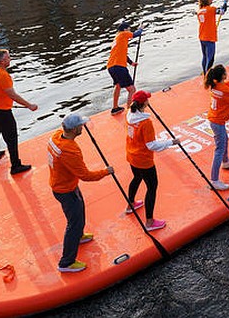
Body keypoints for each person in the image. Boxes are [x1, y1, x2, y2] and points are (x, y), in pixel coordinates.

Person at [47, 113, 114, 273]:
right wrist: (105, 172)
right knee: (74, 224)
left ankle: (80, 235)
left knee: (79, 211)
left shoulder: (56, 136)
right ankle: (66, 262)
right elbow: (85, 175)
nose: (83, 127)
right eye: (81, 125)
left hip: (63, 184)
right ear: (74, 129)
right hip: (66, 190)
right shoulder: (70, 150)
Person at [124, 90, 180, 231]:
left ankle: (130, 204)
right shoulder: (146, 122)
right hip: (144, 160)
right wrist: (170, 142)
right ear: (145, 103)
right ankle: (149, 222)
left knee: (136, 178)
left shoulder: (129, 115)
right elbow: (152, 145)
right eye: (148, 99)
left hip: (132, 155)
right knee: (152, 187)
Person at [0, 49, 38, 175]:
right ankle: (16, 166)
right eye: (8, 58)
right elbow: (12, 95)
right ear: (3, 61)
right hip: (1, 111)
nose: (10, 59)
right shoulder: (3, 75)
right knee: (11, 137)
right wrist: (29, 105)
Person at [106, 22, 143, 114]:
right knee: (132, 89)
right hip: (119, 67)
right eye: (129, 29)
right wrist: (141, 28)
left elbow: (122, 54)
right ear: (125, 29)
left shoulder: (117, 39)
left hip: (111, 67)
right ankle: (131, 110)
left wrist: (131, 63)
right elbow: (136, 34)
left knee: (118, 86)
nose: (129, 31)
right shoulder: (123, 34)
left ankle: (115, 108)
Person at [196, 0, 226, 75]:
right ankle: (208, 77)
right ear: (206, 0)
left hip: (202, 37)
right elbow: (222, 11)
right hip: (209, 38)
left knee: (205, 57)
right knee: (211, 59)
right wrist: (225, 3)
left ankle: (205, 73)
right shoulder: (211, 9)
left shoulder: (199, 11)